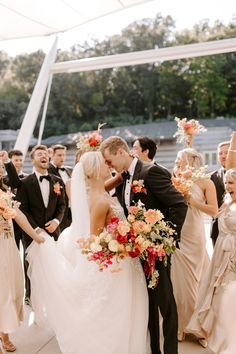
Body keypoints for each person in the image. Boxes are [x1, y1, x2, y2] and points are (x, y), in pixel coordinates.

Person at [26, 151, 149, 354]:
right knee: (117, 312)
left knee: (123, 310)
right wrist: (121, 243)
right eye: (103, 162)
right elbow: (95, 240)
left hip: (122, 259)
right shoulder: (99, 201)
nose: (107, 164)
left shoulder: (99, 193)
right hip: (116, 262)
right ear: (94, 169)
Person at [100, 136, 188, 354]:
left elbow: (178, 204)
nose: (109, 166)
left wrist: (166, 237)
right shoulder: (122, 179)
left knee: (165, 304)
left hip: (157, 249)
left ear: (121, 151)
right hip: (136, 251)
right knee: (147, 304)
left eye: (109, 161)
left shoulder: (151, 172)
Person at [170, 148, 218, 345]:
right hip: (177, 233)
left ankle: (199, 328)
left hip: (195, 234)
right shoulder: (174, 179)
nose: (177, 162)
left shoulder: (206, 182)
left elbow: (214, 210)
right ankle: (181, 326)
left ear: (190, 160)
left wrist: (192, 201)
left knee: (196, 279)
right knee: (180, 282)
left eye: (180, 159)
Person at [187, 168, 236, 353]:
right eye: (226, 182)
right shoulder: (226, 202)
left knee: (227, 294)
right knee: (216, 295)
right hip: (221, 254)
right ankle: (220, 339)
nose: (226, 186)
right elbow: (215, 215)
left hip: (233, 256)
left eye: (231, 182)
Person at [0, 159, 44, 353]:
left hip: (7, 246)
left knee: (10, 285)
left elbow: (19, 216)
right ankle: (4, 336)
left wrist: (36, 236)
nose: (1, 170)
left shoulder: (5, 192)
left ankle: (3, 333)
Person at [16, 144, 66, 304]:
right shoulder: (25, 183)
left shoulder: (57, 181)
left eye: (45, 154)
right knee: (31, 266)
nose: (44, 156)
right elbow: (22, 209)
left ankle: (53, 298)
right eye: (39, 154)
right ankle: (31, 297)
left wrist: (57, 221)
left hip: (53, 232)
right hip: (32, 233)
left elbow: (62, 205)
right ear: (32, 160)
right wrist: (36, 229)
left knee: (54, 266)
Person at [48, 144, 73, 230]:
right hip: (57, 213)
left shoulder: (70, 170)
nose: (62, 158)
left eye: (64, 155)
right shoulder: (47, 170)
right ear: (52, 155)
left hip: (71, 211)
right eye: (59, 155)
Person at [210, 141, 230, 246]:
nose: (223, 156)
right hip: (217, 230)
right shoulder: (212, 177)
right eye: (220, 153)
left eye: (226, 153)